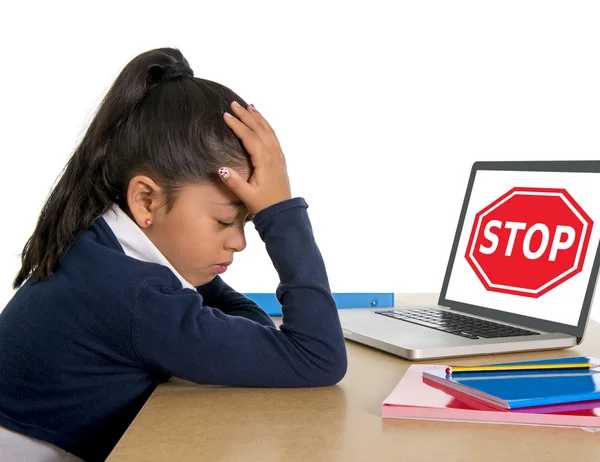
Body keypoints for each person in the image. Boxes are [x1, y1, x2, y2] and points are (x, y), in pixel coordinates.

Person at [0, 47, 347, 462]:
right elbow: (318, 357)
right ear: (145, 200)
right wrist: (280, 214)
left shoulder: (103, 245)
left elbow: (241, 322)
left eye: (250, 221)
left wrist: (252, 341)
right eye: (224, 221)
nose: (240, 241)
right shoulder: (136, 298)